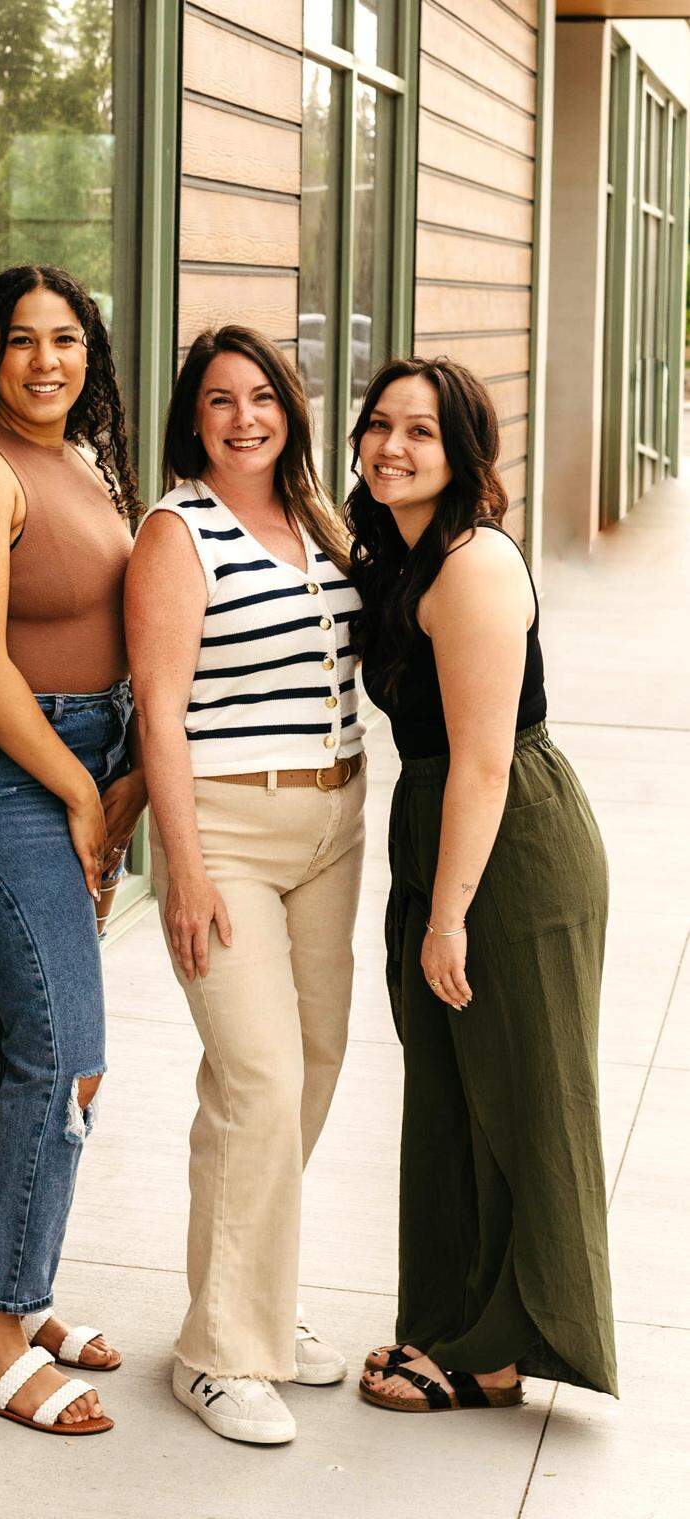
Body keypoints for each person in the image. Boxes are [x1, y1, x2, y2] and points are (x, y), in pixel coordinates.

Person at [349, 356, 617, 1412]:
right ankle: (459, 1328)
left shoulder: (471, 564)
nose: (393, 446)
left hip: (509, 847)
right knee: (452, 1091)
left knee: (521, 1094)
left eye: (421, 431)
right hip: (448, 829)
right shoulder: (404, 552)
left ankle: (498, 1351)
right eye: (379, 425)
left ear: (465, 452)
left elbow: (486, 759)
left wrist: (449, 913)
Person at [0, 264, 145, 1437]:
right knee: (67, 1053)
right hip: (13, 778)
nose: (47, 360)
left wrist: (118, 783)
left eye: (66, 339)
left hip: (81, 766)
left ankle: (10, 1287)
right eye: (20, 341)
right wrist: (81, 798)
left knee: (18, 1046)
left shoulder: (85, 467)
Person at [125, 326, 365, 1445]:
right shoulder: (179, 531)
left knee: (310, 1065)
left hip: (333, 819)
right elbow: (159, 711)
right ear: (194, 419)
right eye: (219, 401)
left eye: (262, 396)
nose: (244, 418)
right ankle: (220, 1349)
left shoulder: (320, 517)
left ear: (293, 406)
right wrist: (180, 866)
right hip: (227, 827)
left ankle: (255, 1301)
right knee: (257, 1074)